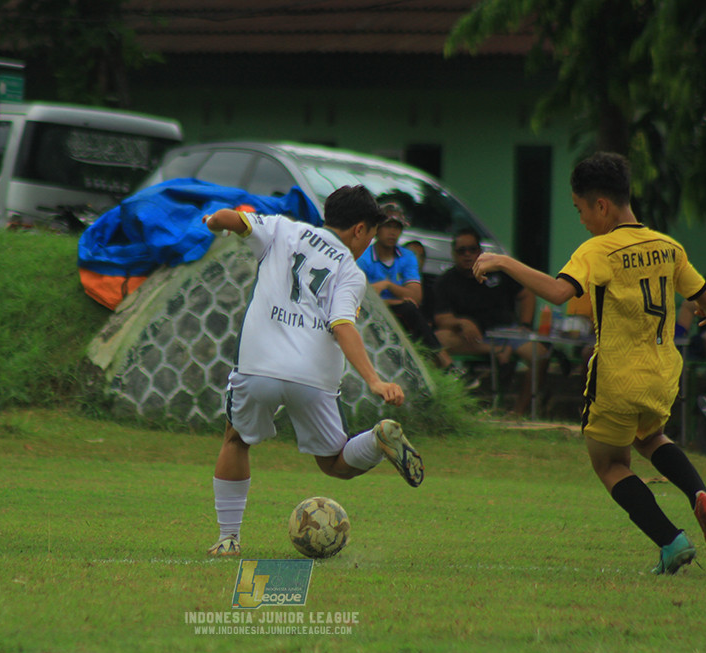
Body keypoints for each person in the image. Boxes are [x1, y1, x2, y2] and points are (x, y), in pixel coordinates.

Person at [471, 151, 706, 574]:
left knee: (609, 464)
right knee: (651, 438)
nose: (581, 220)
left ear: (602, 206)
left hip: (616, 377)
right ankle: (699, 493)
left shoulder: (598, 249)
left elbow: (558, 293)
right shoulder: (668, 246)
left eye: (580, 210)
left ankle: (672, 541)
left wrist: (502, 260)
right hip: (663, 375)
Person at [203, 185, 424, 558]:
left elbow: (227, 219)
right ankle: (375, 440)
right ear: (359, 230)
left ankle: (228, 539)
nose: (368, 243)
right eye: (370, 234)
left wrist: (213, 221)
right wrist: (374, 380)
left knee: (236, 440)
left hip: (259, 368)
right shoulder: (351, 273)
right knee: (336, 464)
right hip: (313, 378)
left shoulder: (281, 229)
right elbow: (342, 326)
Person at [356, 202, 478, 388]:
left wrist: (387, 285)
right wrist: (396, 298)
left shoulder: (407, 257)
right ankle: (447, 365)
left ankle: (435, 381)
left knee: (410, 311)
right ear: (377, 228)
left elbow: (416, 296)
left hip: (401, 314)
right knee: (408, 308)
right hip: (369, 314)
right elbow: (361, 295)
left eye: (397, 227)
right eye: (388, 226)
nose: (392, 232)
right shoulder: (364, 256)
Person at [431, 227, 549, 413]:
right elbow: (441, 318)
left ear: (480, 251)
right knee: (435, 341)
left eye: (472, 249)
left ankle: (519, 412)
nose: (468, 255)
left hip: (506, 332)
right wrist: (461, 322)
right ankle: (447, 409)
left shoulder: (498, 272)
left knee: (540, 354)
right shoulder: (445, 281)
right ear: (454, 254)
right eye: (462, 250)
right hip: (472, 337)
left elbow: (526, 293)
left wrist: (525, 325)